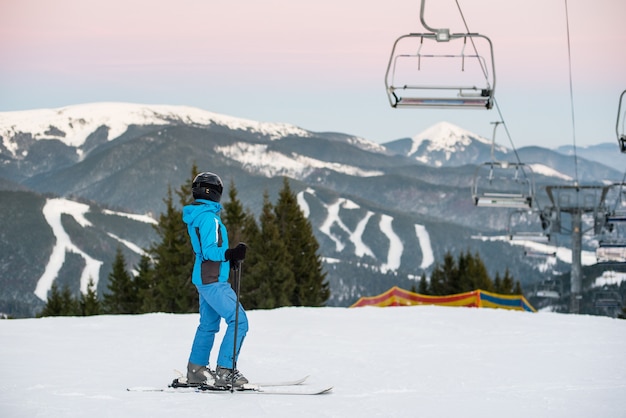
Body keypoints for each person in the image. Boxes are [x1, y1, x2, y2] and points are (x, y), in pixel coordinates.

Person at [182, 171, 249, 388]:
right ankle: (225, 371)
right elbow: (211, 251)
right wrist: (229, 254)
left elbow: (205, 251)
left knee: (208, 325)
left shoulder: (198, 215)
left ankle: (197, 369)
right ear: (215, 193)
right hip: (213, 280)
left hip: (204, 278)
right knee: (239, 320)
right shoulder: (210, 218)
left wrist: (230, 260)